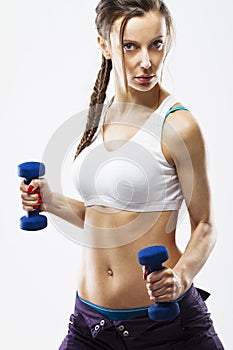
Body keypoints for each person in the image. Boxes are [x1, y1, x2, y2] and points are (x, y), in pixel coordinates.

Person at [20, 0, 224, 349]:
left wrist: (181, 276)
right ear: (104, 45)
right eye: (130, 46)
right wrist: (51, 201)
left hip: (166, 327)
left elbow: (204, 224)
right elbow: (104, 219)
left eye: (156, 44)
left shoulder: (178, 125)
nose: (146, 61)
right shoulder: (101, 113)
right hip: (90, 326)